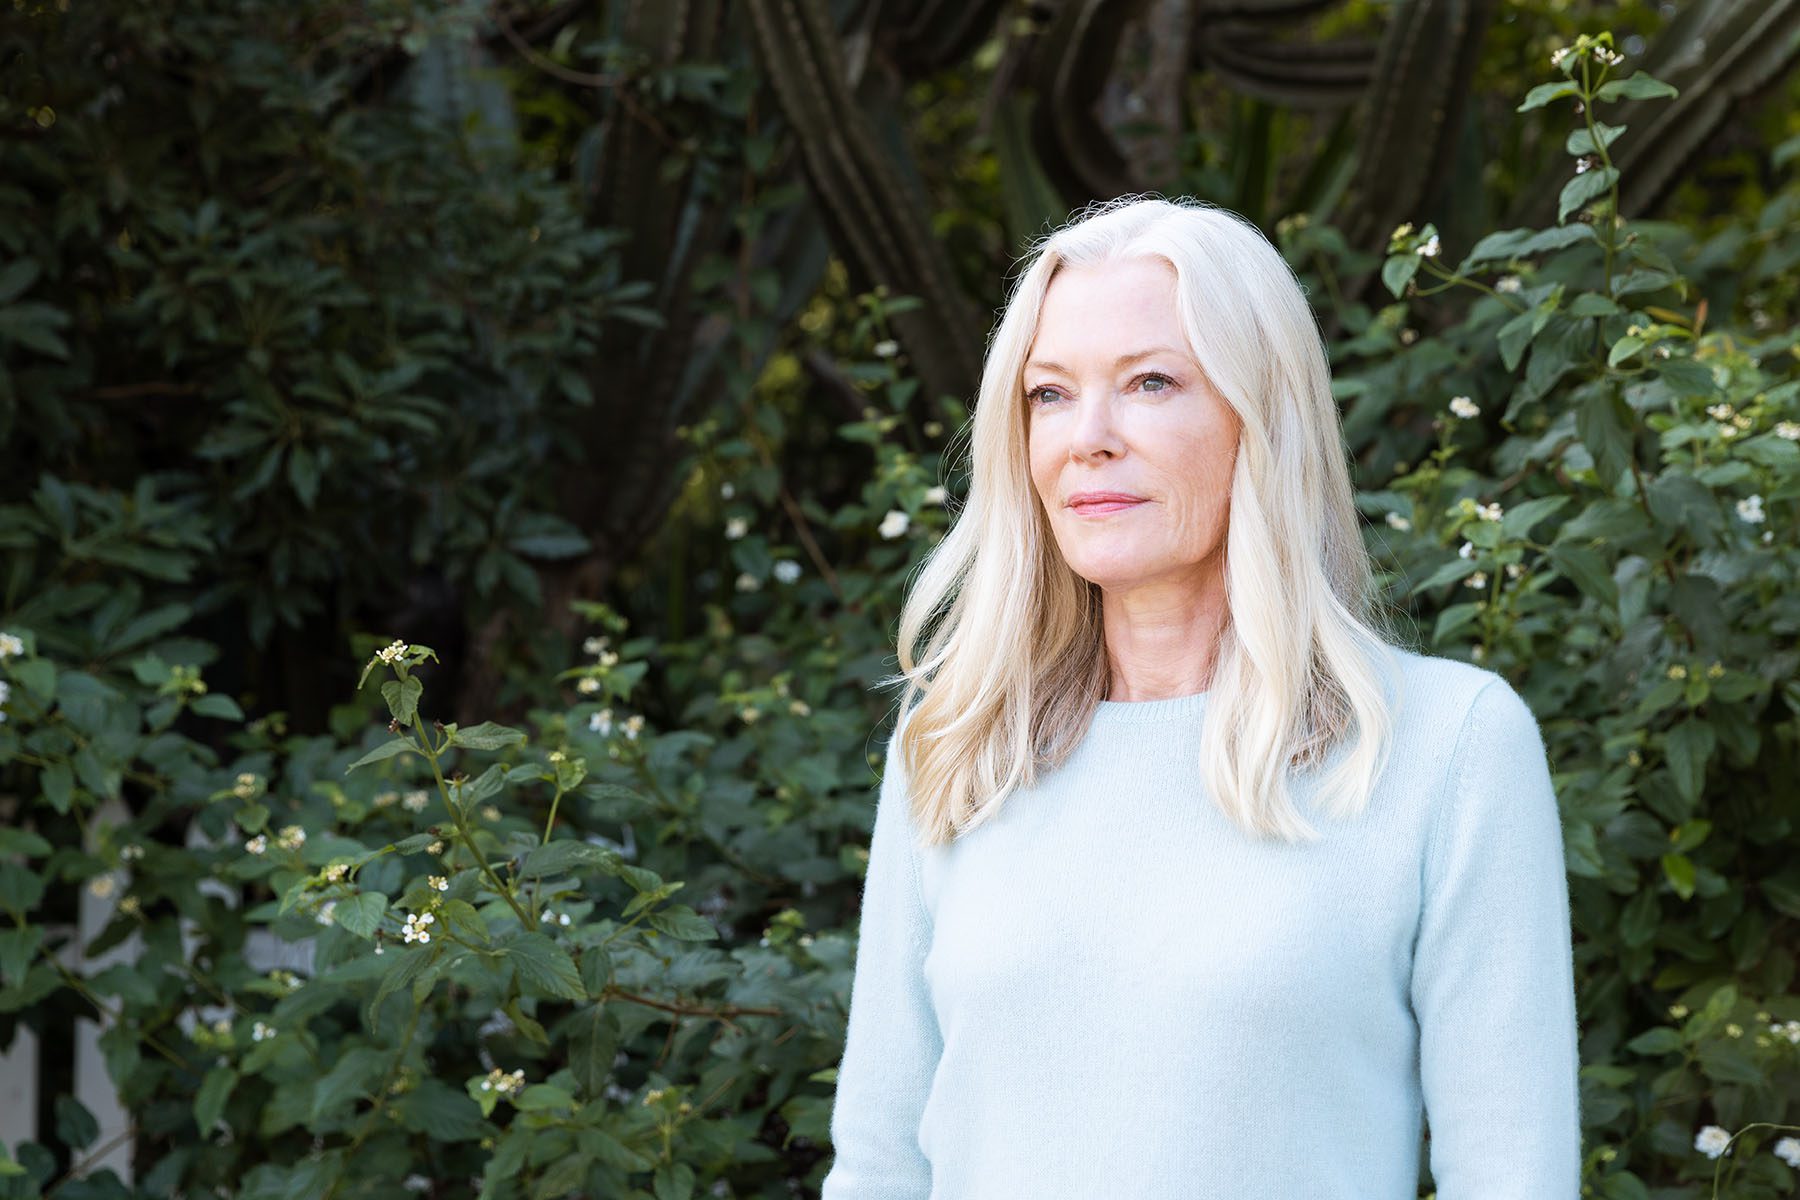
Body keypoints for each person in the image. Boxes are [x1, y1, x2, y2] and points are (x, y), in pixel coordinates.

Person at [818, 195, 1581, 1198]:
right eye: (1050, 394)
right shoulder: (958, 746)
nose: (1088, 437)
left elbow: (1512, 1176)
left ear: (1262, 415)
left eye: (1149, 382)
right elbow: (878, 1166)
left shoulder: (1447, 745)